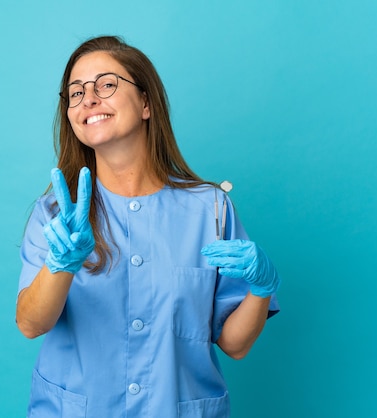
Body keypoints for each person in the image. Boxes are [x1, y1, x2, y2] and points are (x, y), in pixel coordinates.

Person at [15, 35, 281, 418]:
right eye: (75, 93)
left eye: (106, 85)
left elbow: (235, 344)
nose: (87, 99)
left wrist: (262, 289)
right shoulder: (59, 213)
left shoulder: (211, 210)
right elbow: (30, 323)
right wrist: (61, 265)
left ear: (146, 103)